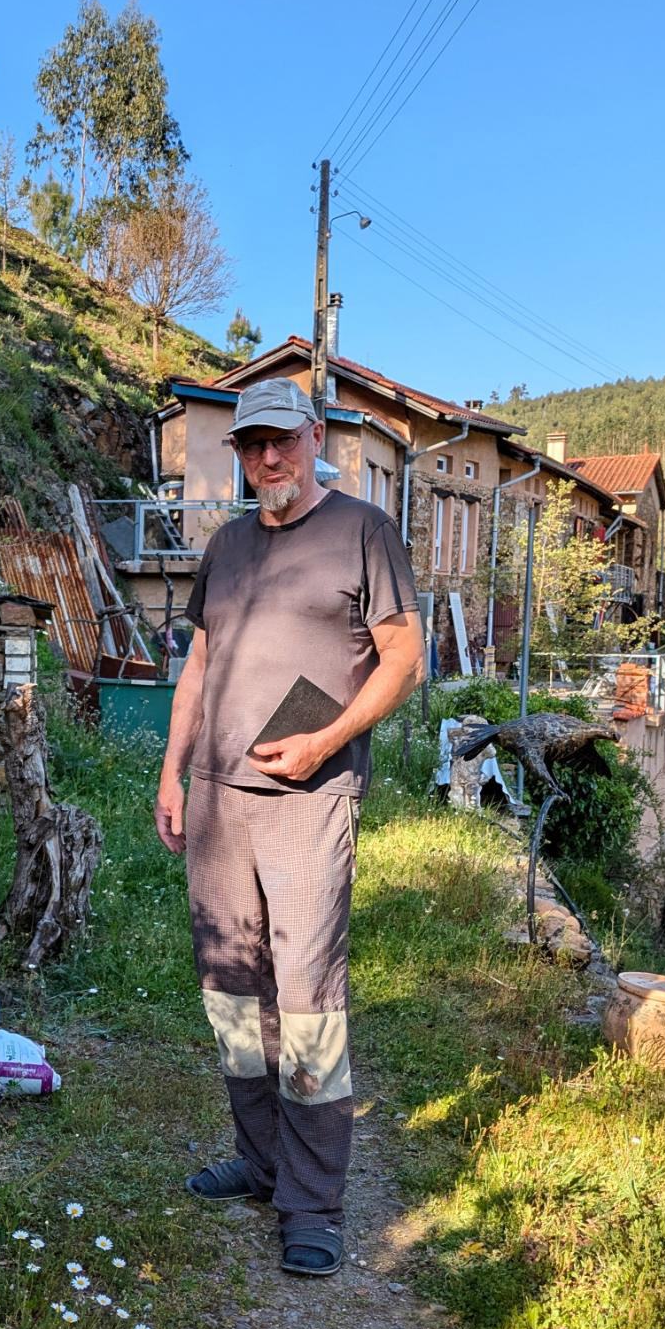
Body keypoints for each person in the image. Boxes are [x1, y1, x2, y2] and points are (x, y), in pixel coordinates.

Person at [153, 375, 425, 1278]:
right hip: (217, 798)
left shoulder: (363, 531)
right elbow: (200, 666)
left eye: (282, 440)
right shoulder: (227, 545)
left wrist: (326, 741)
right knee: (232, 992)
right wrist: (172, 772)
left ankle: (312, 1201)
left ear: (314, 439)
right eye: (252, 445)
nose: (268, 458)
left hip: (312, 799)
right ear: (239, 454)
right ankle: (262, 1160)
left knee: (307, 998)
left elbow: (405, 662)